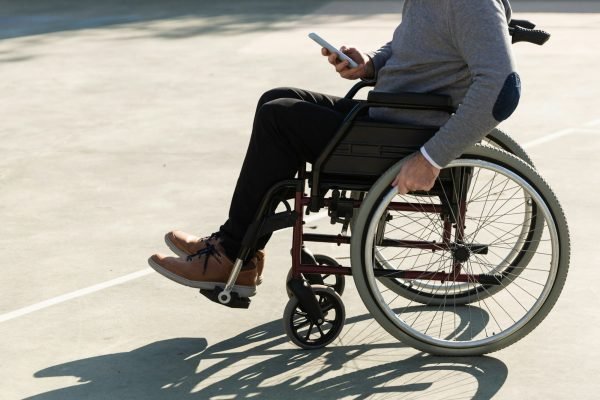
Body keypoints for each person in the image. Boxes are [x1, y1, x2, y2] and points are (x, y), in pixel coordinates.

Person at [148, 0, 520, 298]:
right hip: (390, 116)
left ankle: (231, 255)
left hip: (404, 137)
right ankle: (238, 249)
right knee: (276, 100)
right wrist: (370, 64)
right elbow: (416, 48)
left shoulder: (472, 4)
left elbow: (502, 90)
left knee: (281, 119)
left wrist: (432, 157)